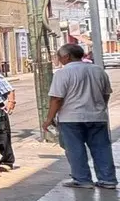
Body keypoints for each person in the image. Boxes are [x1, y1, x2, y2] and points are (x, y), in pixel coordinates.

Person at [42, 43, 115, 189]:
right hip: (97, 117)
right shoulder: (98, 70)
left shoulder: (62, 73)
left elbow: (57, 98)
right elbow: (106, 94)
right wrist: (99, 108)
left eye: (59, 57)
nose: (59, 59)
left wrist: (49, 119)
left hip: (71, 118)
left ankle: (82, 179)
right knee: (102, 148)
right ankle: (108, 180)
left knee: (75, 149)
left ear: (67, 56)